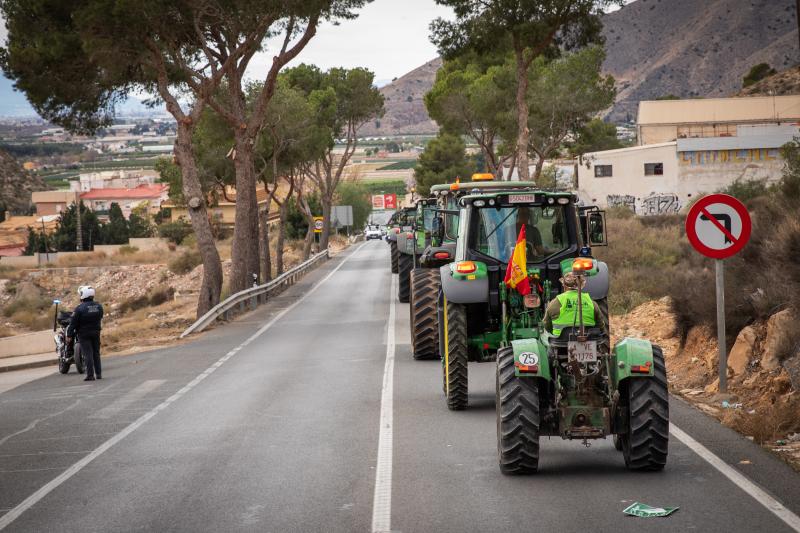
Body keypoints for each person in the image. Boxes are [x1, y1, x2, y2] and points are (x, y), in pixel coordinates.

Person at [544, 272, 607, 337]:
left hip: (561, 341)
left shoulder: (555, 302)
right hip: (589, 339)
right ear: (581, 285)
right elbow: (600, 325)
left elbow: (546, 325)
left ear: (564, 285)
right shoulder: (591, 302)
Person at [67, 286, 104, 381]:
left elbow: (73, 323)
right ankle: (99, 374)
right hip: (96, 332)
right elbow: (100, 317)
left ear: (83, 295)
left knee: (88, 354)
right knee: (96, 353)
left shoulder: (79, 309)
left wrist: (69, 335)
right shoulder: (99, 306)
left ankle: (90, 375)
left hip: (84, 334)